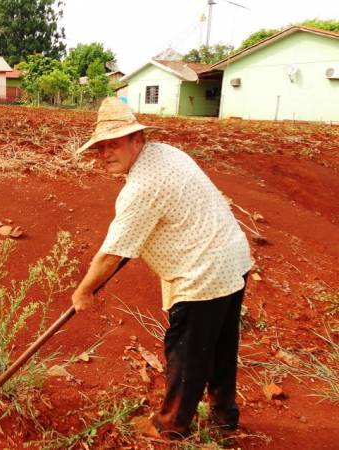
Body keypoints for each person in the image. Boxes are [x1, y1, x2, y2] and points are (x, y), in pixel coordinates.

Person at [72, 97, 252, 438]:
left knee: (187, 353)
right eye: (100, 148)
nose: (105, 154)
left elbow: (112, 254)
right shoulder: (166, 153)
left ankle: (171, 426)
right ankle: (224, 415)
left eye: (114, 144)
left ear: (137, 139)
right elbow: (135, 238)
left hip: (204, 275)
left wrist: (83, 292)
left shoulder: (141, 188)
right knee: (220, 346)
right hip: (234, 259)